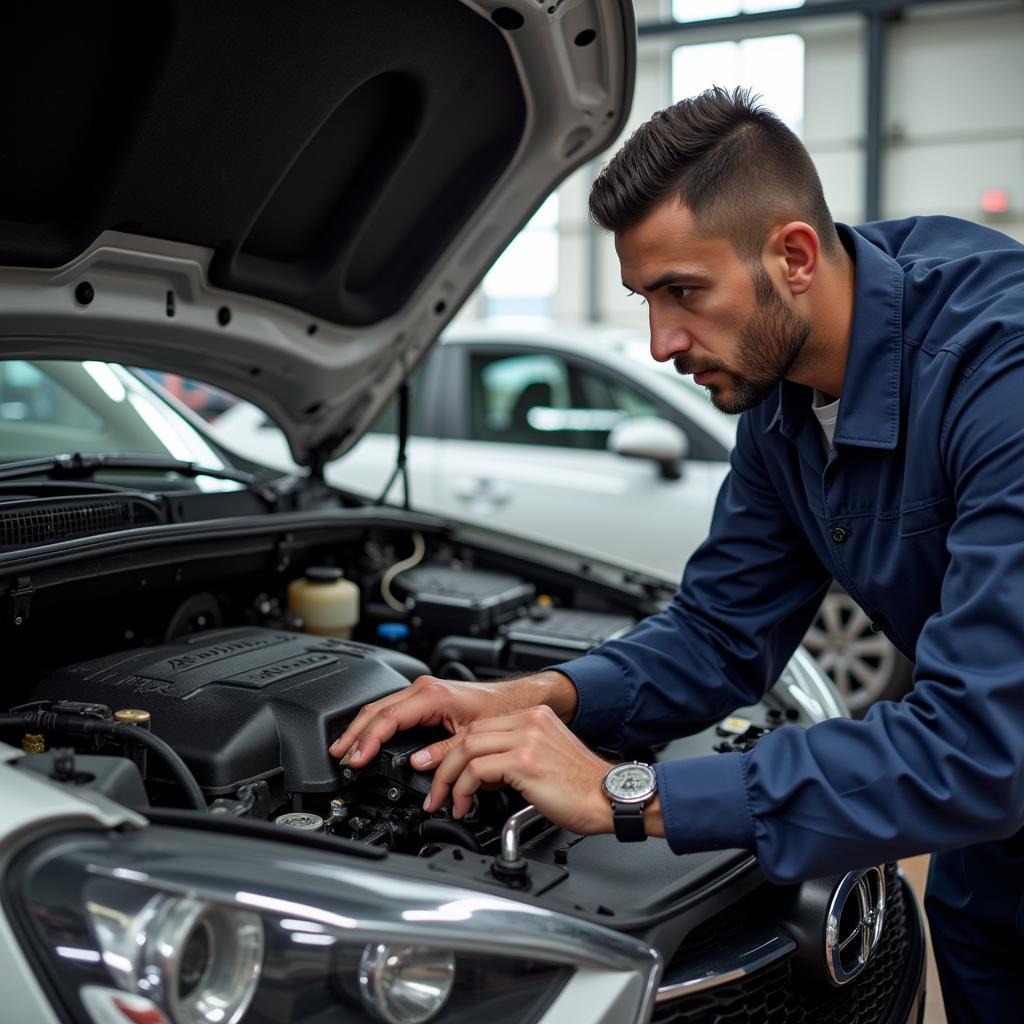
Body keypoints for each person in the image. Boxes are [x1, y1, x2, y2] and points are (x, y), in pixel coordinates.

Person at [329, 87, 1024, 1021]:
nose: (662, 344)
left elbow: (980, 746)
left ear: (794, 255)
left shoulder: (999, 373)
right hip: (994, 844)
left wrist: (624, 793)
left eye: (684, 293)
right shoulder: (779, 393)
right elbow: (719, 632)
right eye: (645, 299)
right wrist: (538, 697)